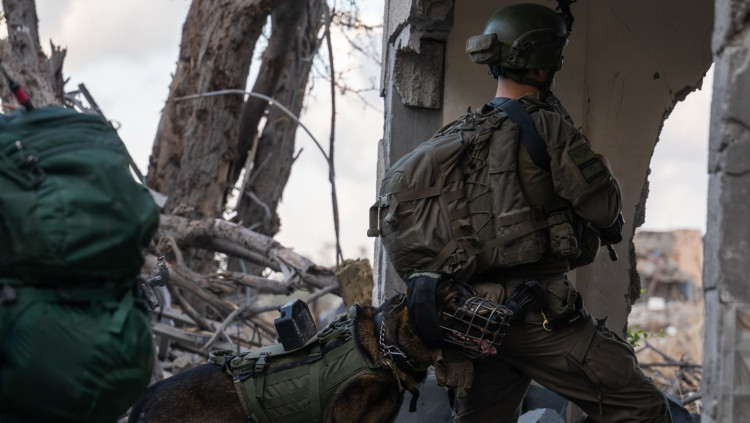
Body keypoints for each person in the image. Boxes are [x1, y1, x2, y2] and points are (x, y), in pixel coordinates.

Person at [431, 3, 671, 422]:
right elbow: (604, 210)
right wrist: (604, 170)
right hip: (536, 314)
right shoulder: (547, 127)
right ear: (545, 64)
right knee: (644, 407)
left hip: (475, 317)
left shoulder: (458, 133)